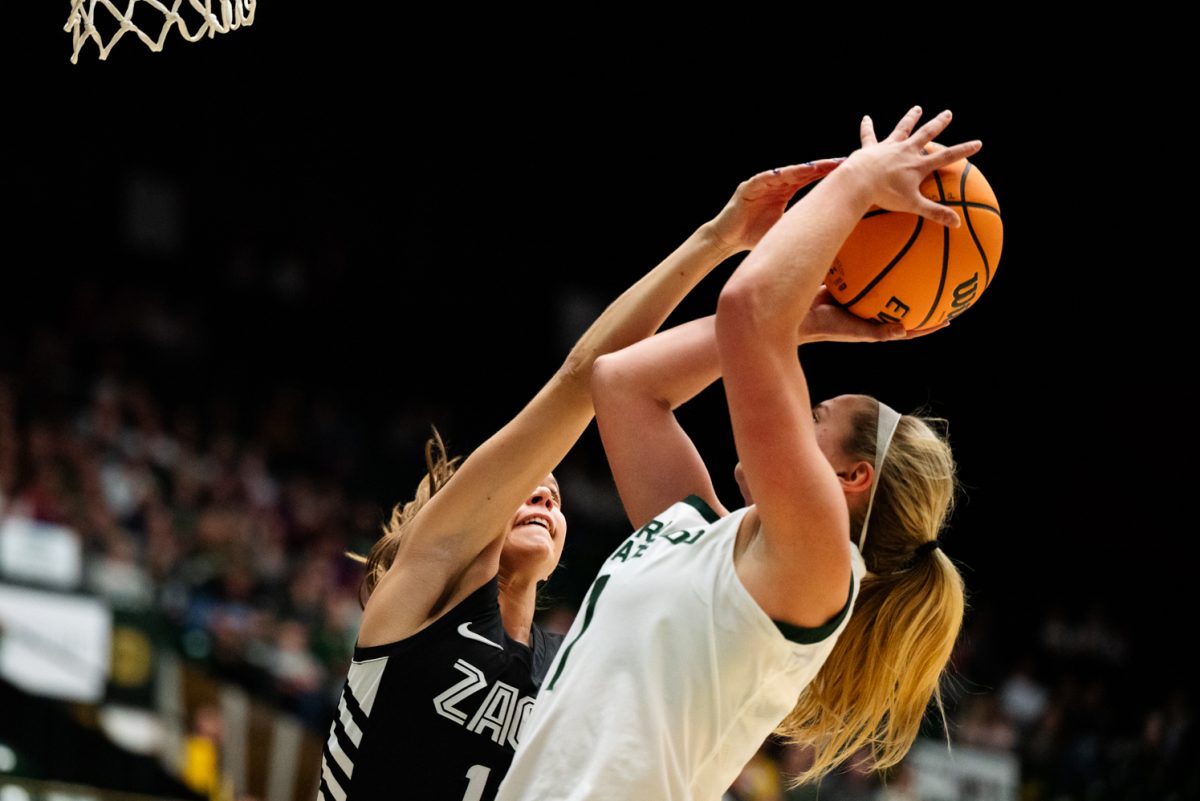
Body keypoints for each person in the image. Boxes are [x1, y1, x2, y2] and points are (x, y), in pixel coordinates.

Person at [315, 155, 871, 801]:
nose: (544, 489)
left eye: (553, 492)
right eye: (523, 485)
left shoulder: (573, 658)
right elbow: (587, 380)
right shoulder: (419, 600)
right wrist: (722, 244)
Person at [495, 106, 977, 800]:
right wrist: (805, 323)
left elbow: (748, 309)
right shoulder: (702, 534)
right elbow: (623, 384)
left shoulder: (822, 563)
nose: (787, 404)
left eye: (815, 413)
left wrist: (860, 183)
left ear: (850, 477)